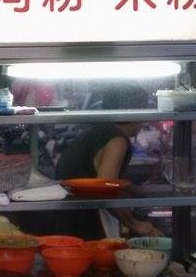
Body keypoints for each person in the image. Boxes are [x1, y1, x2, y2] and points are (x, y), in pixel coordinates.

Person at [55, 88, 163, 240]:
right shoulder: (116, 141)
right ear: (136, 114)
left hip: (67, 215)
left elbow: (103, 181)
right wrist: (135, 224)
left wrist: (133, 189)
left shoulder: (97, 131)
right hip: (83, 223)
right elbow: (105, 192)